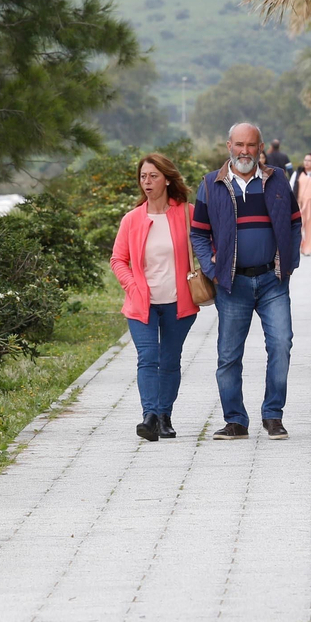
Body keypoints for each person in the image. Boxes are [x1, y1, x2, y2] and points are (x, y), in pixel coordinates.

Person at [190, 122, 302, 441]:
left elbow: (295, 223)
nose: (244, 151)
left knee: (281, 345)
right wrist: (212, 269)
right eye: (239, 144)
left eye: (251, 145)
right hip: (232, 284)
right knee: (229, 355)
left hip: (272, 281)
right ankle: (235, 421)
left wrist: (289, 263)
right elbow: (198, 232)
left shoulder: (277, 180)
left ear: (260, 147)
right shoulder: (211, 184)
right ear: (229, 146)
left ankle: (273, 416)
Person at [110, 154, 201, 442]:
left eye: (153, 176)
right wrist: (132, 286)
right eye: (143, 177)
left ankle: (164, 416)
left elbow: (208, 244)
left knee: (170, 361)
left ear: (167, 179)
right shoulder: (132, 219)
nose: (146, 182)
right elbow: (118, 260)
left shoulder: (188, 213)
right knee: (147, 359)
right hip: (142, 304)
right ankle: (149, 416)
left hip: (179, 303)